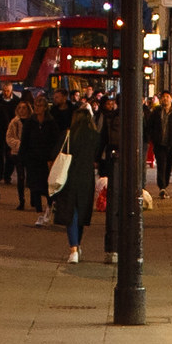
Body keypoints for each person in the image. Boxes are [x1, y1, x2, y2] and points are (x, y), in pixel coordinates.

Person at [52, 96, 104, 264]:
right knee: (81, 212)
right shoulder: (95, 136)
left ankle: (73, 248)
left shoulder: (68, 134)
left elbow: (55, 153)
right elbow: (98, 156)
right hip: (86, 177)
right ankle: (77, 244)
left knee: (71, 213)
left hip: (68, 176)